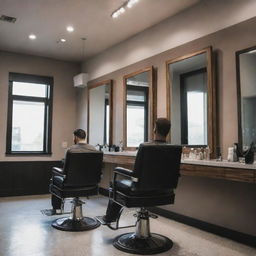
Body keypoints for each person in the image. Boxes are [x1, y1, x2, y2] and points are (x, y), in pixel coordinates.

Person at [102, 118, 171, 224]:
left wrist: (119, 169)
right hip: (165, 191)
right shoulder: (173, 149)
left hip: (139, 190)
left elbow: (135, 174)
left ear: (154, 129)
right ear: (168, 131)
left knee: (115, 183)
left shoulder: (145, 147)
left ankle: (110, 218)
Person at [51, 128, 96, 214]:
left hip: (71, 184)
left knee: (55, 178)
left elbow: (65, 166)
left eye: (73, 137)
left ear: (76, 137)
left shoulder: (70, 150)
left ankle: (56, 208)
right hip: (91, 184)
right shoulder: (94, 149)